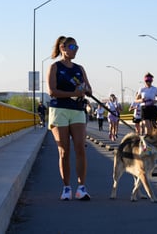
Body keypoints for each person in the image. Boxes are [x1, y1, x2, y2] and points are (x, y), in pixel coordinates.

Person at [46, 36, 92, 201]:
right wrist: (74, 93)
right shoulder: (54, 67)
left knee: (80, 147)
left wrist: (85, 90)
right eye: (72, 47)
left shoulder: (79, 68)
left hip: (77, 110)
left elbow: (89, 89)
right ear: (63, 47)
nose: (75, 50)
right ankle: (66, 187)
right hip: (59, 110)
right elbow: (52, 91)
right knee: (64, 151)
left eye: (77, 47)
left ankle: (81, 187)